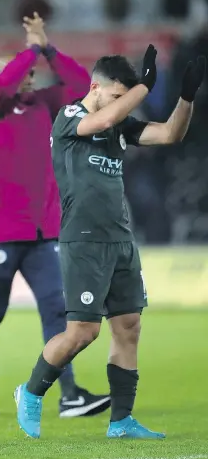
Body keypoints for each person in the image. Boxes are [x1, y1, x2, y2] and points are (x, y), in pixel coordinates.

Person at [15, 46, 205, 439]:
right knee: (83, 332)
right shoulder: (71, 116)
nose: (124, 105)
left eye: (127, 97)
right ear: (95, 87)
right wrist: (146, 88)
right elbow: (101, 119)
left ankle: (121, 421)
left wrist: (186, 97)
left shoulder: (117, 123)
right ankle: (31, 392)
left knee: (128, 325)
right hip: (83, 239)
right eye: (119, 96)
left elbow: (170, 133)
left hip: (120, 238)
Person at [0, 12, 110, 418]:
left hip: (41, 233)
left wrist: (46, 46)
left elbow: (83, 86)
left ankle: (68, 394)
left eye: (32, 71)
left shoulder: (47, 105)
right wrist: (29, 50)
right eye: (18, 71)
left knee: (57, 311)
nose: (25, 77)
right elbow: (2, 83)